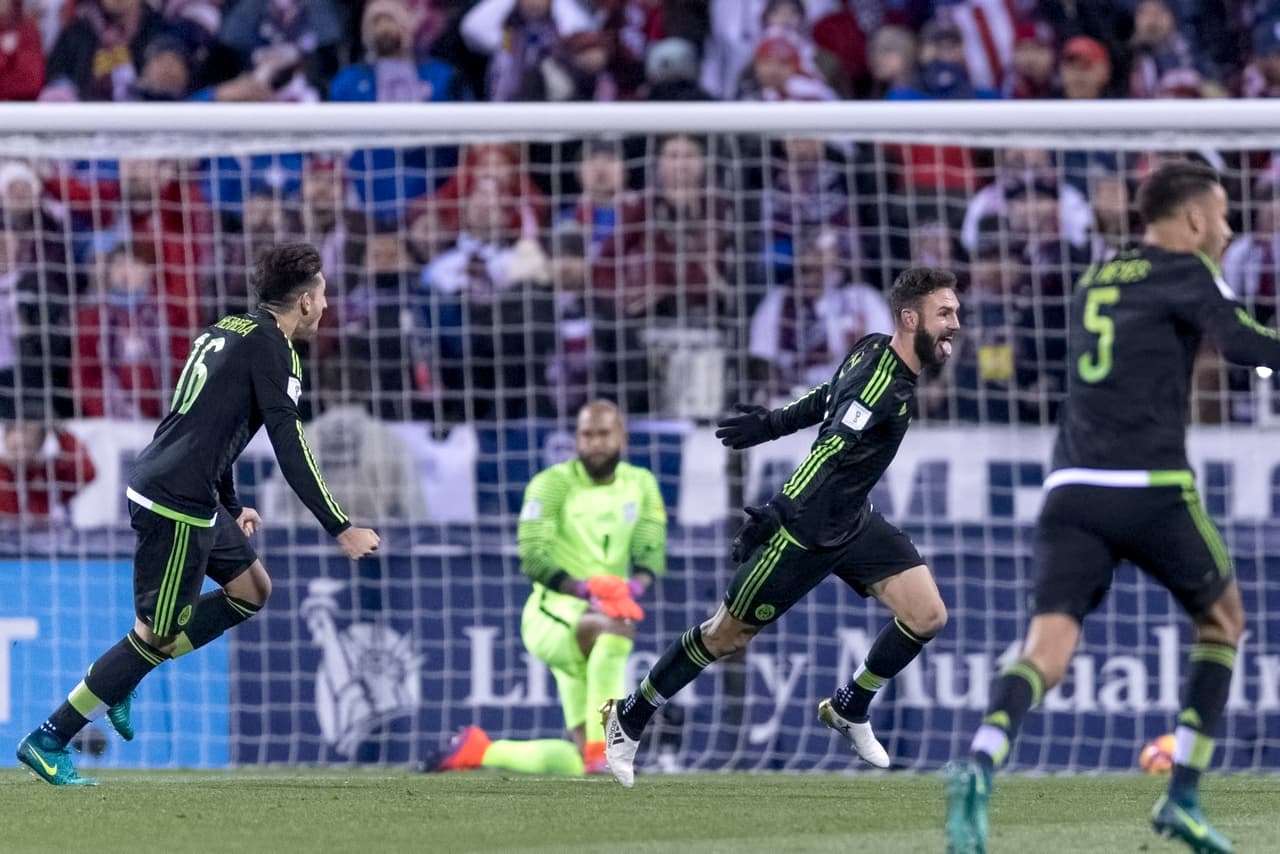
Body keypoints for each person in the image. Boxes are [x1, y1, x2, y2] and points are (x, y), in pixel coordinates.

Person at [944, 161, 1280, 854]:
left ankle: (978, 758)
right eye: (1220, 214)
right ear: (1191, 219)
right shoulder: (1188, 272)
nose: (1226, 227)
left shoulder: (1097, 276)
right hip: (1151, 487)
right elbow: (1243, 344)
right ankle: (1182, 796)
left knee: (1048, 650)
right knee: (1223, 621)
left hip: (1070, 489)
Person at [15, 243, 381, 786]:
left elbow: (207, 424)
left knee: (252, 590)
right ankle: (49, 737)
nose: (326, 306)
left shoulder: (227, 328)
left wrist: (232, 505)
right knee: (154, 637)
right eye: (323, 295)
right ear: (304, 302)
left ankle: (124, 675)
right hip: (175, 500)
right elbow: (290, 444)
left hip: (191, 487)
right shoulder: (276, 353)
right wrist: (341, 526)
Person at [601, 267, 960, 788]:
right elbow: (830, 449)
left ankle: (849, 705)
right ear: (911, 318)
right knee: (725, 635)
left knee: (927, 615)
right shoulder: (881, 385)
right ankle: (628, 717)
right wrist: (778, 513)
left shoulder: (872, 350)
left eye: (954, 312)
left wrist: (771, 424)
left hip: (853, 522)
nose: (955, 324)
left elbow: (826, 396)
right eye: (944, 313)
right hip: (802, 533)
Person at [431, 400, 665, 776]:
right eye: (586, 435)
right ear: (576, 439)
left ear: (622, 437)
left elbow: (651, 549)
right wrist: (589, 590)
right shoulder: (552, 484)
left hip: (602, 612)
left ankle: (481, 751)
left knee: (573, 763)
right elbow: (533, 557)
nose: (595, 443)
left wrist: (633, 588)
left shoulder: (641, 484)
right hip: (551, 615)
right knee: (618, 627)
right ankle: (604, 747)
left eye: (604, 434)